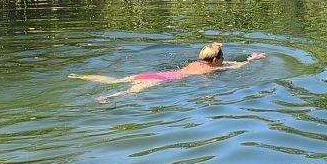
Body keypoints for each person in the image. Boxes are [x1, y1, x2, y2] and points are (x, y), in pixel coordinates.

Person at [76, 43, 264, 100]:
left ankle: (82, 76)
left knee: (118, 79)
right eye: (222, 58)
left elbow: (229, 63)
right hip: (168, 79)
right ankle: (108, 97)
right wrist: (252, 60)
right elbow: (236, 66)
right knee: (131, 91)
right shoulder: (210, 71)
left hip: (157, 74)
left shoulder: (196, 64)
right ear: (215, 60)